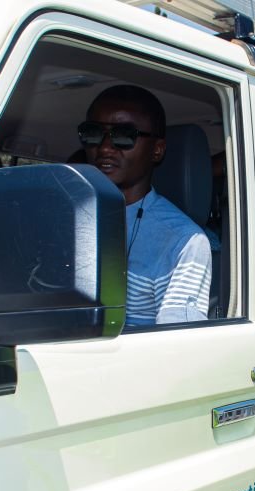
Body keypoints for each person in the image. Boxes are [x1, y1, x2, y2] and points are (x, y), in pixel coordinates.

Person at [79, 85, 211, 327]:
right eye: (94, 132)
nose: (105, 147)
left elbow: (176, 345)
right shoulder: (65, 217)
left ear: (157, 150)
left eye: (124, 135)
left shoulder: (183, 240)